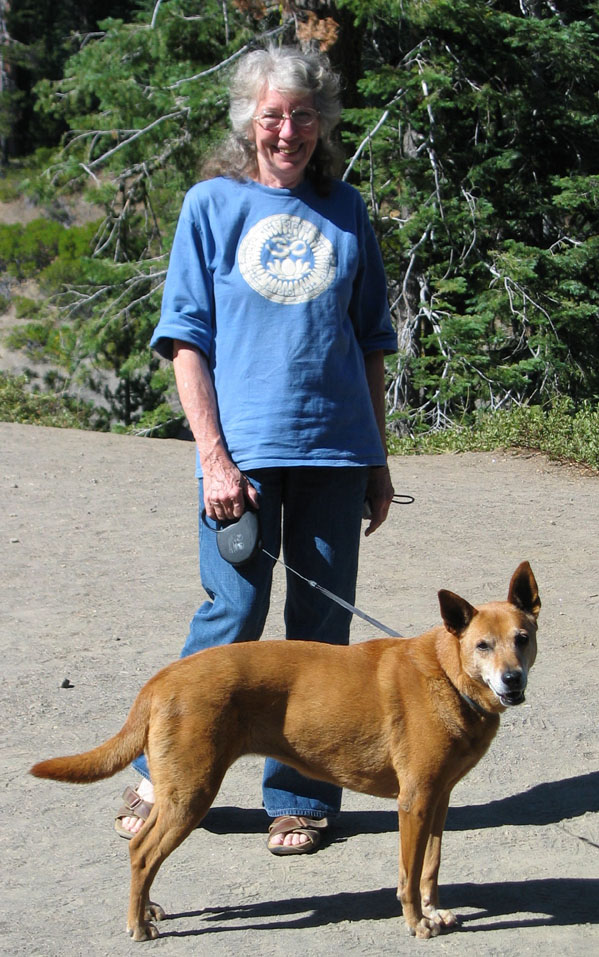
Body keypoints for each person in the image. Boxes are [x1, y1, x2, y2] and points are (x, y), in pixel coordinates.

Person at [114, 43, 397, 854]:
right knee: (233, 613)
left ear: (322, 123)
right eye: (272, 115)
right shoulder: (211, 204)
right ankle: (160, 772)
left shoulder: (346, 210)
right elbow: (186, 341)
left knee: (320, 633)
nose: (288, 131)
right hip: (240, 453)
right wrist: (212, 455)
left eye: (304, 115)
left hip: (336, 453)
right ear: (248, 121)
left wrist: (377, 460)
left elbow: (370, 338)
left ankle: (301, 794)